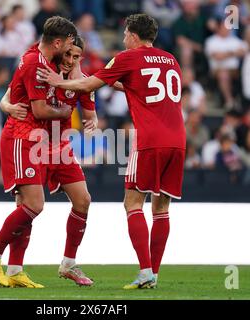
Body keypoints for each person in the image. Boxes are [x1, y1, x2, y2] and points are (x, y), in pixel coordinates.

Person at [37, 13, 186, 289]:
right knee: (162, 209)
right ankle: (153, 273)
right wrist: (113, 82)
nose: (123, 39)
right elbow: (143, 88)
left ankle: (144, 272)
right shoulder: (171, 60)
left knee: (133, 203)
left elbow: (88, 85)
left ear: (132, 35)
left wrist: (58, 82)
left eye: (125, 34)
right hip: (178, 139)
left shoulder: (128, 57)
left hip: (150, 139)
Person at [0, 16, 77, 289]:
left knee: (25, 207)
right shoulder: (35, 63)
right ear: (56, 42)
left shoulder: (36, 53)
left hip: (35, 139)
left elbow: (10, 93)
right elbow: (40, 110)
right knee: (35, 205)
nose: (71, 50)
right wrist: (65, 111)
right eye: (68, 44)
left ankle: (16, 269)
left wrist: (5, 104)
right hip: (23, 138)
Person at [2, 36, 98, 286]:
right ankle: (14, 268)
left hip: (61, 146)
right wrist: (6, 106)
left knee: (83, 200)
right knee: (27, 206)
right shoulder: (43, 69)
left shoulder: (83, 81)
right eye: (67, 55)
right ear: (59, 51)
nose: (70, 61)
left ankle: (69, 263)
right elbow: (10, 94)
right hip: (35, 141)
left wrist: (92, 120)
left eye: (76, 57)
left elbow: (91, 114)